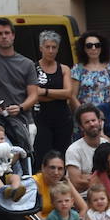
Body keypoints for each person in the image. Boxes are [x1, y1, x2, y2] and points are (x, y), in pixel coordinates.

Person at [33, 30, 75, 163]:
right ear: (41, 48)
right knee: (43, 156)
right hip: (41, 119)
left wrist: (44, 92)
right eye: (47, 47)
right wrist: (58, 94)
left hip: (62, 119)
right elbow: (33, 95)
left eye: (54, 47)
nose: (51, 51)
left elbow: (68, 93)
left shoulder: (64, 69)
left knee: (62, 156)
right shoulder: (33, 68)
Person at [72, 31, 110, 115]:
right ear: (83, 48)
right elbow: (72, 97)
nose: (93, 48)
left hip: (109, 115)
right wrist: (83, 114)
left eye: (97, 45)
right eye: (89, 46)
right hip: (85, 118)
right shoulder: (77, 69)